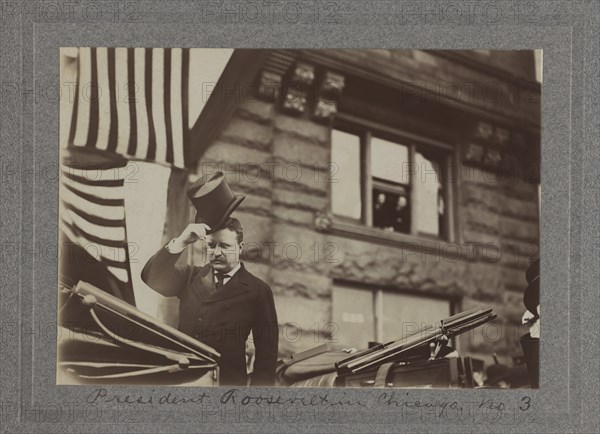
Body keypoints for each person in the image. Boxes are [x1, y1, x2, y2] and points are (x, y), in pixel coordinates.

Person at [141, 173, 278, 386]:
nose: (216, 252)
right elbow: (151, 278)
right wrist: (181, 242)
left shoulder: (257, 290)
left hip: (228, 389)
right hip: (184, 382)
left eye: (224, 246)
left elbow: (266, 356)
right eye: (212, 246)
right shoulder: (190, 277)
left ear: (240, 248)